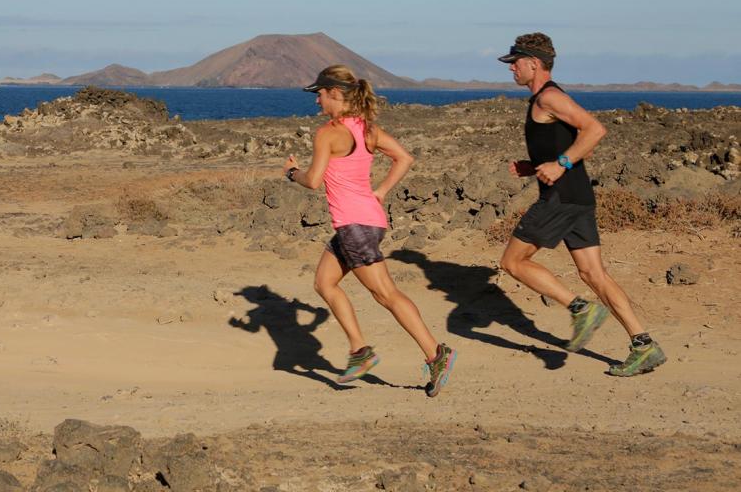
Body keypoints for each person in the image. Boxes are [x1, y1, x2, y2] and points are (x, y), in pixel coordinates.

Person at [497, 33, 665, 376]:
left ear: (534, 63)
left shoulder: (549, 97)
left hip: (561, 197)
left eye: (515, 62)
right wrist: (536, 166)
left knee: (513, 262)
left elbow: (594, 130)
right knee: (593, 273)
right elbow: (570, 142)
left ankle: (579, 308)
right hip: (576, 197)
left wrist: (561, 164)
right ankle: (644, 345)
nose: (511, 68)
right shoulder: (542, 101)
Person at [284, 64, 456, 396]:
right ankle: (359, 350)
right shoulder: (368, 130)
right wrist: (380, 192)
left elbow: (314, 180)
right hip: (366, 221)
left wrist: (292, 172)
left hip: (354, 225)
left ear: (335, 93)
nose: (316, 101)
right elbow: (404, 158)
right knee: (324, 282)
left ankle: (437, 355)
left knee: (386, 294)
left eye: (319, 94)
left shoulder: (328, 133)